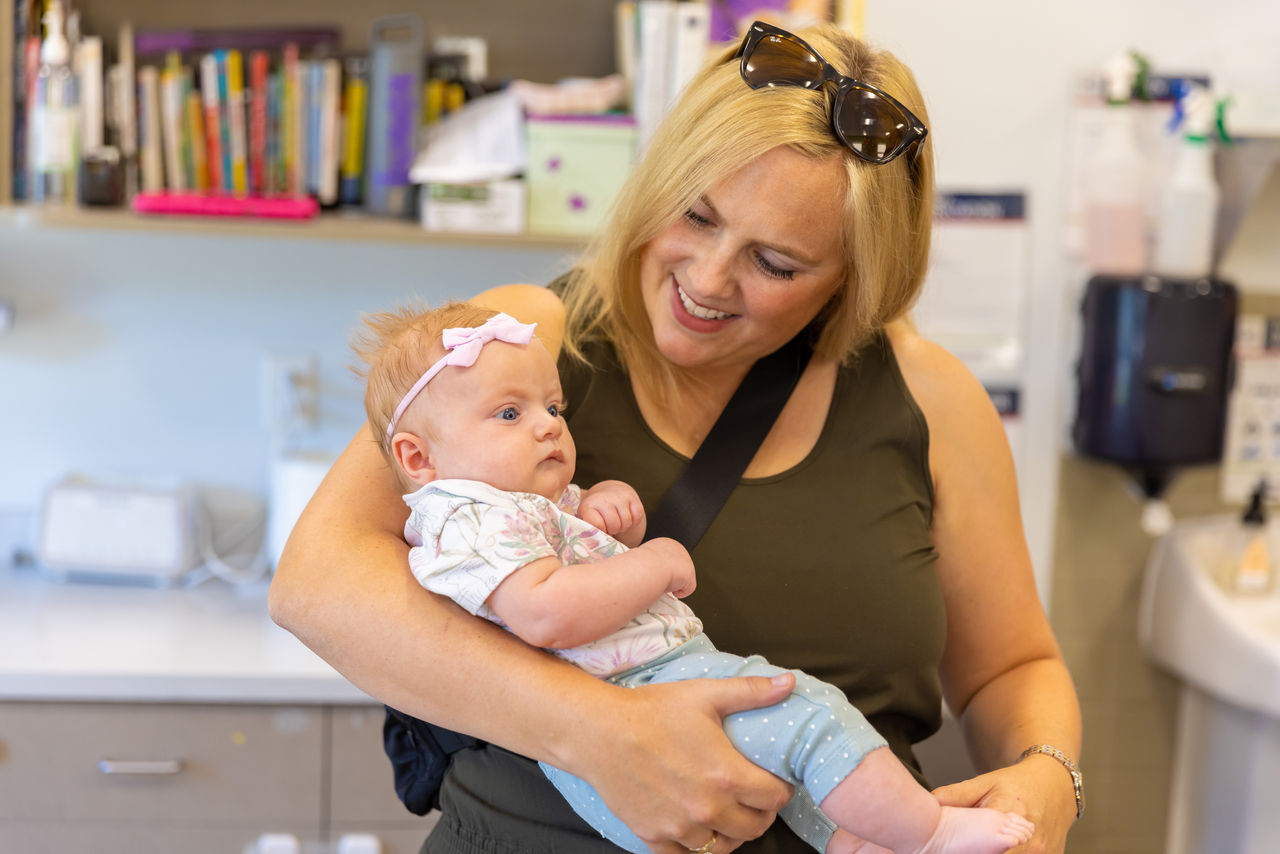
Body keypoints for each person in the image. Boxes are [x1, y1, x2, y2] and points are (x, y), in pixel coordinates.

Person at [271, 19, 1083, 854]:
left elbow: (1009, 668)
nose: (706, 279)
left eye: (775, 264)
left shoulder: (929, 398)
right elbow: (316, 585)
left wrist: (1050, 777)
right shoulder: (519, 350)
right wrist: (595, 732)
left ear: (856, 275)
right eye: (695, 215)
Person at [350, 302, 1036, 854]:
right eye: (509, 413)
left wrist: (594, 519)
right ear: (418, 457)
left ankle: (854, 837)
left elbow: (549, 566)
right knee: (812, 717)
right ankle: (928, 834)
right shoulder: (470, 517)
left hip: (620, 730)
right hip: (637, 693)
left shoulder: (503, 509)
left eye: (553, 409)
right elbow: (547, 612)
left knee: (782, 775)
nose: (546, 428)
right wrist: (652, 562)